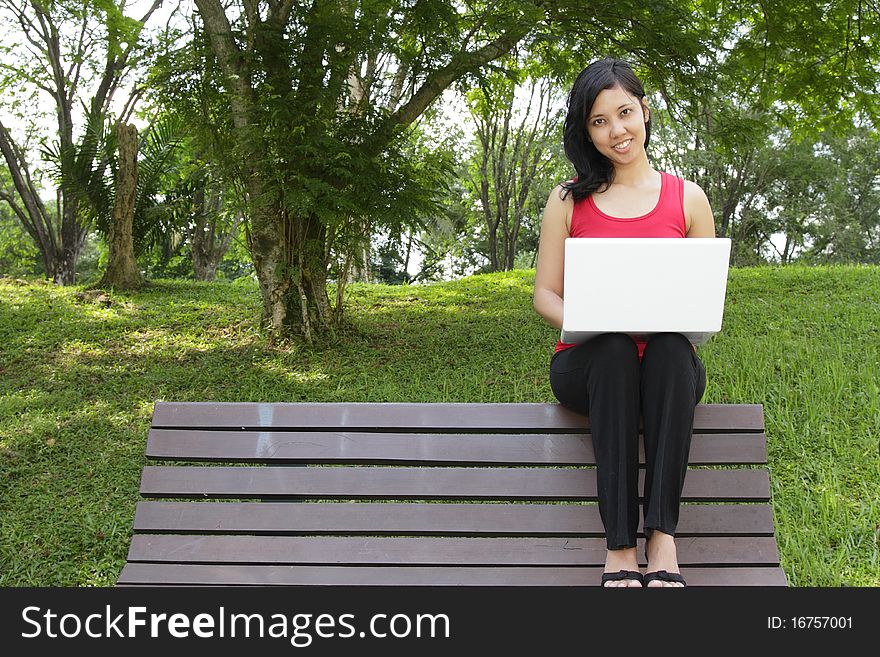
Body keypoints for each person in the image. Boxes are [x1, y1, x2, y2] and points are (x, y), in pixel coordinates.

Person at [533, 58, 716, 587]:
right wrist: (592, 318)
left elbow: (700, 295)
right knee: (614, 347)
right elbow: (545, 294)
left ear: (645, 112)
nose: (616, 130)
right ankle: (618, 550)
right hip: (589, 363)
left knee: (669, 349)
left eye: (624, 113)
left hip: (666, 366)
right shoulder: (569, 199)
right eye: (598, 121)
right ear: (586, 132)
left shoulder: (690, 199)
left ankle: (662, 542)